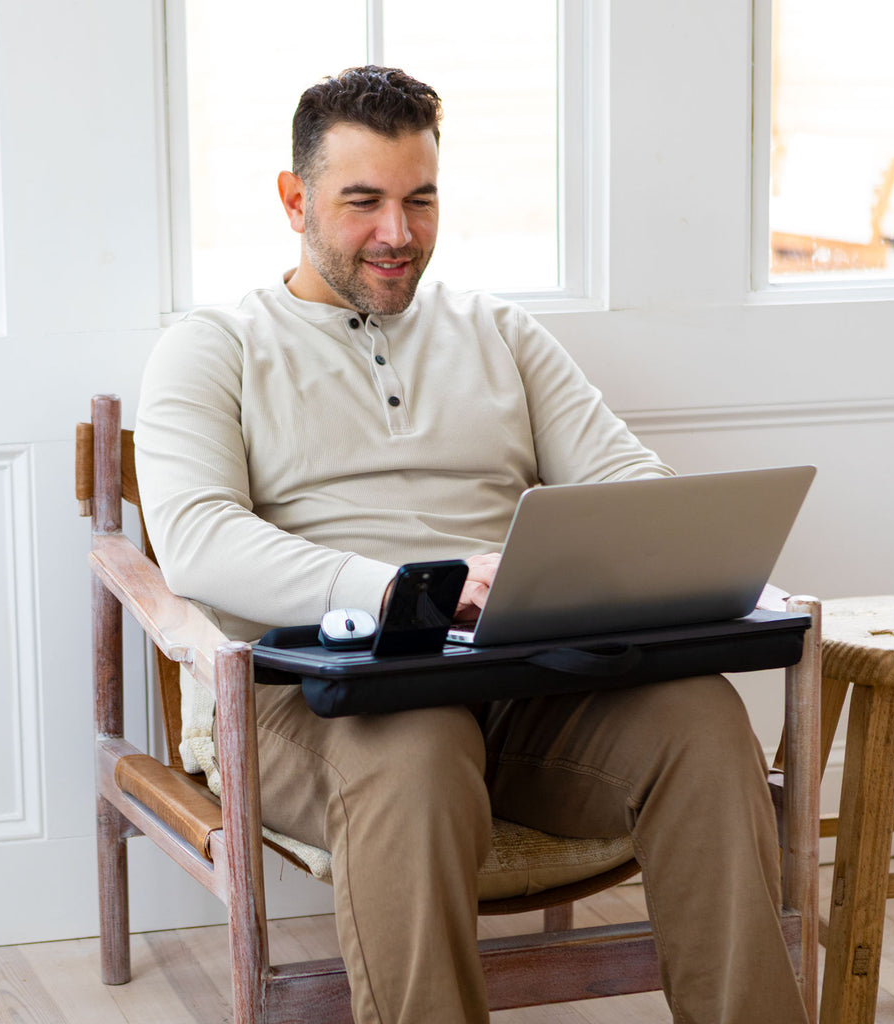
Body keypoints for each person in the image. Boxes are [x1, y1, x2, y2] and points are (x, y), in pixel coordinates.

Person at [135, 65, 809, 1024]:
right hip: (313, 699)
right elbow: (198, 542)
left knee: (699, 722)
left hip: (516, 675)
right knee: (417, 747)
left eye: (420, 200)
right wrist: (414, 588)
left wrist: (617, 566)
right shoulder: (214, 347)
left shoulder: (499, 331)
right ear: (293, 200)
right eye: (362, 202)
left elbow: (632, 485)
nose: (397, 234)